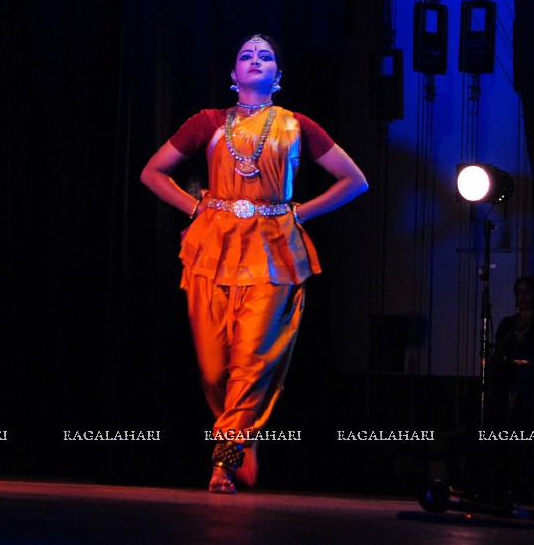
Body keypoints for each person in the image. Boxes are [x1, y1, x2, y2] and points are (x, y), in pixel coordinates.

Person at [140, 33, 368, 493]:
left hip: (274, 251)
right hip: (212, 248)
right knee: (212, 369)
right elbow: (152, 172)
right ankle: (243, 435)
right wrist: (194, 208)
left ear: (278, 78)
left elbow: (354, 180)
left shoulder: (297, 125)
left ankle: (224, 460)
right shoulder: (207, 122)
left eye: (265, 56)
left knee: (253, 361)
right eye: (246, 55)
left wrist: (299, 212)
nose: (255, 59)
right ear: (233, 75)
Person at [487, 276, 534, 429]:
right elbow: (498, 354)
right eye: (519, 292)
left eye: (527, 292)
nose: (522, 297)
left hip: (533, 378)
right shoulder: (508, 323)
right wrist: (489, 377)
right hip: (511, 378)